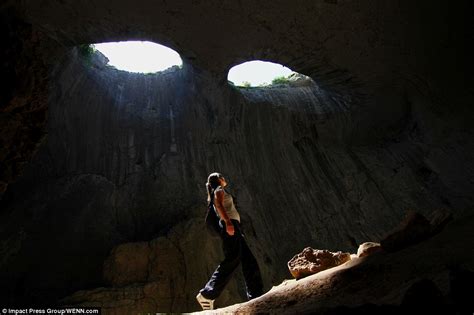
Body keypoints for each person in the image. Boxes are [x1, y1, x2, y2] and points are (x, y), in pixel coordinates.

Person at [196, 172, 264, 310]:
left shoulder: (217, 190)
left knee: (248, 260)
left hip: (233, 226)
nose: (225, 179)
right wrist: (228, 222)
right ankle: (207, 294)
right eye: (222, 177)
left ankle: (256, 295)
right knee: (233, 258)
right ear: (219, 179)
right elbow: (219, 204)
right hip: (229, 225)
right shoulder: (219, 190)